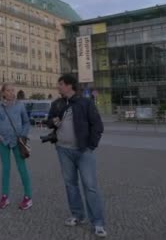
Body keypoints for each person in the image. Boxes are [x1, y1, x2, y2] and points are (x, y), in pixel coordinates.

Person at [47, 74, 106, 238]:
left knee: (90, 187)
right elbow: (49, 122)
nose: (58, 86)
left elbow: (97, 125)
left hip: (83, 151)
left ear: (69, 86)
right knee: (70, 185)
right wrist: (54, 122)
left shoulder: (85, 103)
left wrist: (90, 146)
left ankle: (98, 222)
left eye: (60, 84)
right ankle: (77, 215)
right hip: (63, 150)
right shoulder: (57, 103)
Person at [0, 83, 32, 210]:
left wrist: (23, 136)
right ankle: (5, 196)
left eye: (13, 90)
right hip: (3, 142)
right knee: (6, 169)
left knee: (22, 168)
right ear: (3, 93)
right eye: (8, 90)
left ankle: (28, 197)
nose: (11, 93)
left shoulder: (20, 105)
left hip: (17, 142)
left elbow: (26, 122)